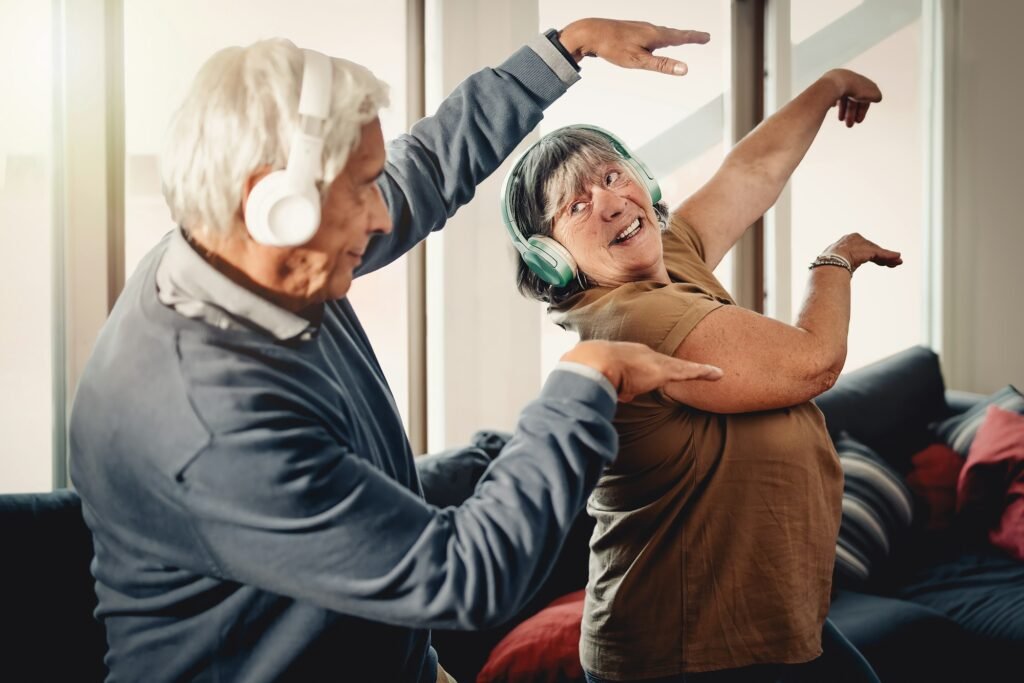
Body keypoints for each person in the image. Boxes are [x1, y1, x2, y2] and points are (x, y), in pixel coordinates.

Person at [68, 18, 723, 683]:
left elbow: (424, 173)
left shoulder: (245, 251)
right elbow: (465, 578)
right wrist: (583, 382)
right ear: (272, 203)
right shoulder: (206, 425)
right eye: (359, 190)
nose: (382, 218)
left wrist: (563, 50)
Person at [501, 68, 901, 682]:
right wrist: (835, 261)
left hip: (762, 627)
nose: (610, 202)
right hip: (681, 652)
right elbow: (812, 362)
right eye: (576, 206)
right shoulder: (629, 318)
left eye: (611, 176)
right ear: (551, 259)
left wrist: (829, 86)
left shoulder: (668, 260)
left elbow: (750, 172)